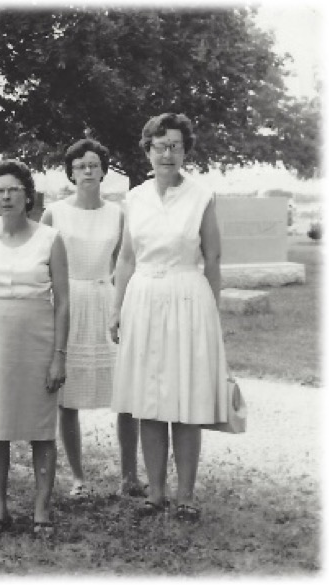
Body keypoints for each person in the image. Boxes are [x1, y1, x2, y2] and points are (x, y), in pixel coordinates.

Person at [110, 113, 228, 522]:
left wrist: (212, 311)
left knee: (186, 398)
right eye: (160, 146)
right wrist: (116, 308)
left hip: (187, 299)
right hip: (143, 299)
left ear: (185, 151)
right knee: (149, 399)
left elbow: (212, 257)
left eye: (176, 146)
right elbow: (126, 258)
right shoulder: (135, 198)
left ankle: (186, 495)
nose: (168, 153)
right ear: (147, 150)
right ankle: (155, 493)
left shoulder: (201, 196)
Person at [0, 160, 69, 538]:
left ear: (28, 196)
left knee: (41, 428)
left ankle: (42, 510)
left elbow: (63, 301)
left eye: (14, 190)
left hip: (39, 340)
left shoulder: (50, 239)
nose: (6, 196)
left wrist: (59, 355)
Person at [40, 139, 143, 499]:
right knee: (68, 397)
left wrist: (121, 306)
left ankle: (130, 476)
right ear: (70, 172)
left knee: (125, 394)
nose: (87, 171)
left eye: (94, 165)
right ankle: (78, 477)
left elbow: (124, 264)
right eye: (80, 165)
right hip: (67, 302)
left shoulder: (117, 213)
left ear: (103, 171)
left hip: (105, 300)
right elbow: (42, 262)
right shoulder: (54, 212)